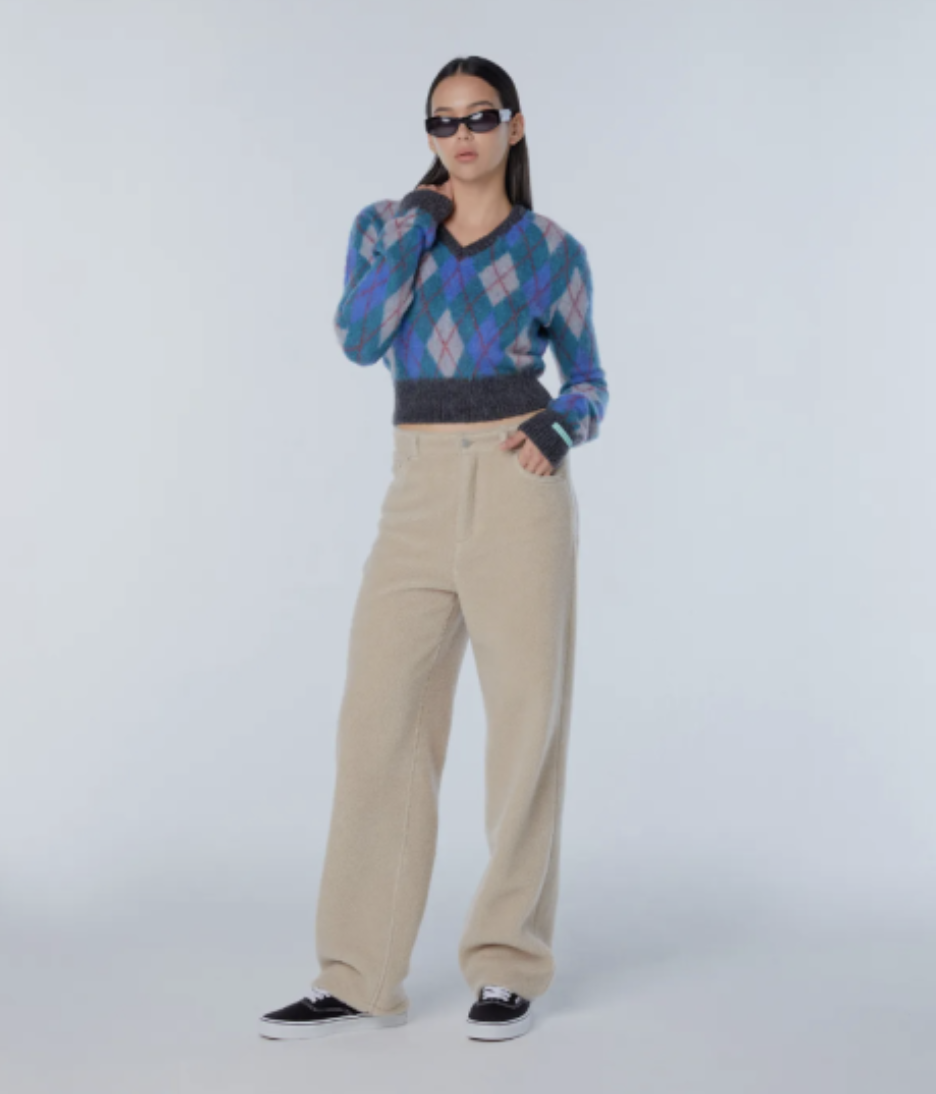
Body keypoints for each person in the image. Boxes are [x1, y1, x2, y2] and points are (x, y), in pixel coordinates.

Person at [259, 54, 609, 1044]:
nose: (461, 135)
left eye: (480, 116)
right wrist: (417, 222)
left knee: (524, 728)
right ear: (428, 135)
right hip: (414, 488)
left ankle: (507, 962)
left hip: (517, 485)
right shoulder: (384, 226)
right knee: (379, 722)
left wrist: (560, 426)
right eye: (443, 120)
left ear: (514, 126)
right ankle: (358, 974)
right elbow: (358, 337)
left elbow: (590, 380)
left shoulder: (551, 249)